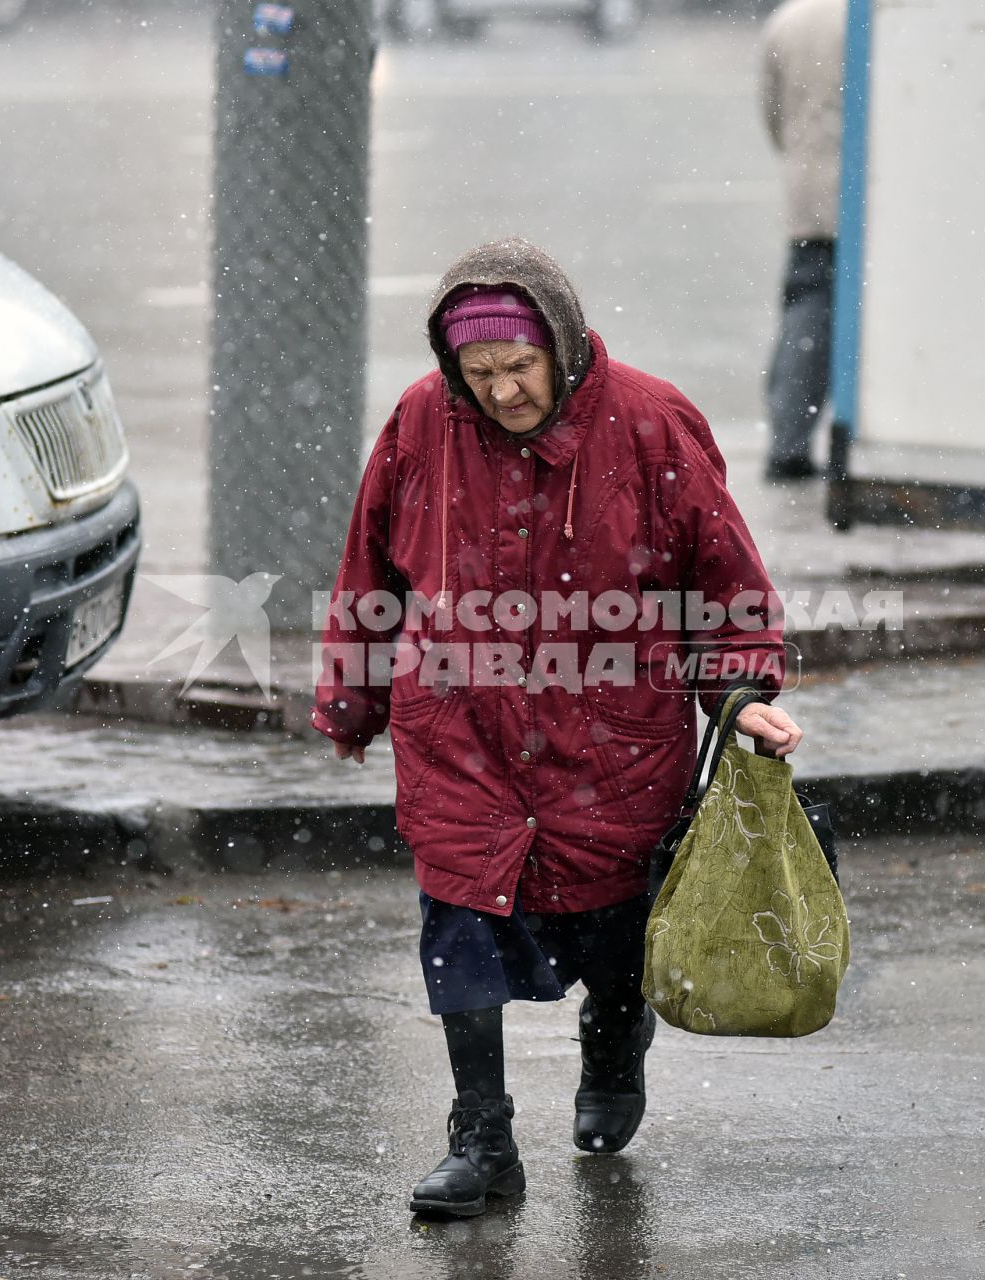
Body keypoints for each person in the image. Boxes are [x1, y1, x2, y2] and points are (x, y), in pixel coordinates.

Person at [312, 238, 805, 1218]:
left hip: (611, 736)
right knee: (458, 920)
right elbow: (370, 569)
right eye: (479, 373)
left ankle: (616, 1040)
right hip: (461, 731)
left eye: (518, 366)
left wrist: (739, 688)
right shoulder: (421, 422)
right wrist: (352, 695)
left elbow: (725, 580)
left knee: (615, 933)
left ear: (561, 343)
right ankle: (482, 1140)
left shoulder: (654, 423)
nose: (501, 391)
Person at [759, 0, 848, 484]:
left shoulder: (789, 20)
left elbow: (774, 116)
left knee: (806, 313)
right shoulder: (889, 15)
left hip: (811, 197)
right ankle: (862, 441)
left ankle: (788, 444)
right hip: (877, 195)